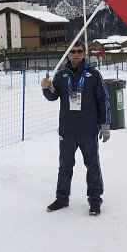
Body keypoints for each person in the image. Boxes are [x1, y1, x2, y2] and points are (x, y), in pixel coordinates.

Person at [41, 40, 111, 216]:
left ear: (84, 54)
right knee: (65, 166)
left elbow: (103, 100)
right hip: (68, 131)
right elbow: (53, 96)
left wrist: (105, 124)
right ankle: (62, 198)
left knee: (92, 166)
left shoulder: (93, 75)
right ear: (68, 55)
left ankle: (95, 200)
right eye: (73, 52)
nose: (76, 54)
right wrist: (47, 88)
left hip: (88, 130)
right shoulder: (61, 75)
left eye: (79, 51)